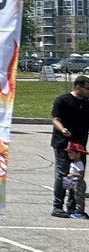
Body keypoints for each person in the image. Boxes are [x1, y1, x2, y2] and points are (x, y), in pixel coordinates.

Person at [50, 74, 89, 217]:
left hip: (80, 147)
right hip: (63, 144)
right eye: (87, 87)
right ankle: (57, 206)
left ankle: (72, 207)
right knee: (63, 174)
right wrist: (62, 129)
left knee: (77, 175)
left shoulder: (86, 103)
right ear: (78, 87)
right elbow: (55, 120)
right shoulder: (62, 101)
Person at [64, 142, 87, 219]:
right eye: (68, 153)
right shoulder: (73, 162)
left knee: (79, 198)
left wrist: (72, 175)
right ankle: (73, 209)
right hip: (73, 182)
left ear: (78, 154)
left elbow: (81, 175)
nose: (69, 154)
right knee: (73, 196)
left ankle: (80, 212)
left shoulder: (79, 163)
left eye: (71, 153)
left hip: (78, 183)